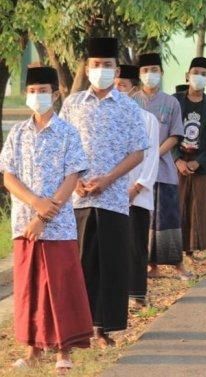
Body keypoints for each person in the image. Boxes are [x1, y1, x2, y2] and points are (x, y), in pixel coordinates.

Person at [1, 66, 93, 373]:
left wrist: (44, 213)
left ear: (55, 95)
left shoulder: (68, 133)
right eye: (32, 91)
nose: (37, 96)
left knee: (60, 286)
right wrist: (34, 203)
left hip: (58, 224)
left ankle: (62, 352)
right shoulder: (17, 133)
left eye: (43, 91)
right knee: (29, 288)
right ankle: (32, 350)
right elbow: (9, 176)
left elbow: (71, 178)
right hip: (23, 225)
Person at [60, 37, 148, 347]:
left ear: (116, 69)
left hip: (113, 199)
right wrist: (78, 180)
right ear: (86, 68)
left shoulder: (127, 106)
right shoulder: (72, 105)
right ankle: (78, 327)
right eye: (96, 65)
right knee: (81, 262)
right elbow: (64, 147)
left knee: (112, 264)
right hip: (77, 197)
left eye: (107, 66)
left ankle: (103, 328)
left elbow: (138, 152)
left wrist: (108, 179)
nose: (101, 70)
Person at [133, 52, 189, 280]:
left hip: (164, 169)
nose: (150, 75)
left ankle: (177, 265)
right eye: (145, 70)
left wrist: (155, 154)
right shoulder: (130, 101)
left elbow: (176, 135)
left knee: (167, 218)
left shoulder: (171, 102)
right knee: (143, 220)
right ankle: (149, 266)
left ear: (161, 73)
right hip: (136, 170)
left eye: (154, 70)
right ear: (139, 74)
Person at [115, 65, 160, 307]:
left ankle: (136, 293)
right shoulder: (106, 118)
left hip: (137, 194)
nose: (117, 89)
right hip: (109, 192)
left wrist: (137, 186)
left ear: (133, 88)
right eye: (115, 84)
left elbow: (151, 156)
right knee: (113, 246)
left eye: (122, 85)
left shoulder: (147, 119)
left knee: (135, 245)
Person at [173, 57, 206, 256]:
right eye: (195, 73)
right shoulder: (175, 100)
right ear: (187, 75)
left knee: (198, 206)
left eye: (203, 74)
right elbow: (168, 133)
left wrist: (199, 161)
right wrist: (177, 159)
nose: (198, 77)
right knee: (176, 205)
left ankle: (193, 249)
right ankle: (175, 248)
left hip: (200, 164)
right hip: (176, 163)